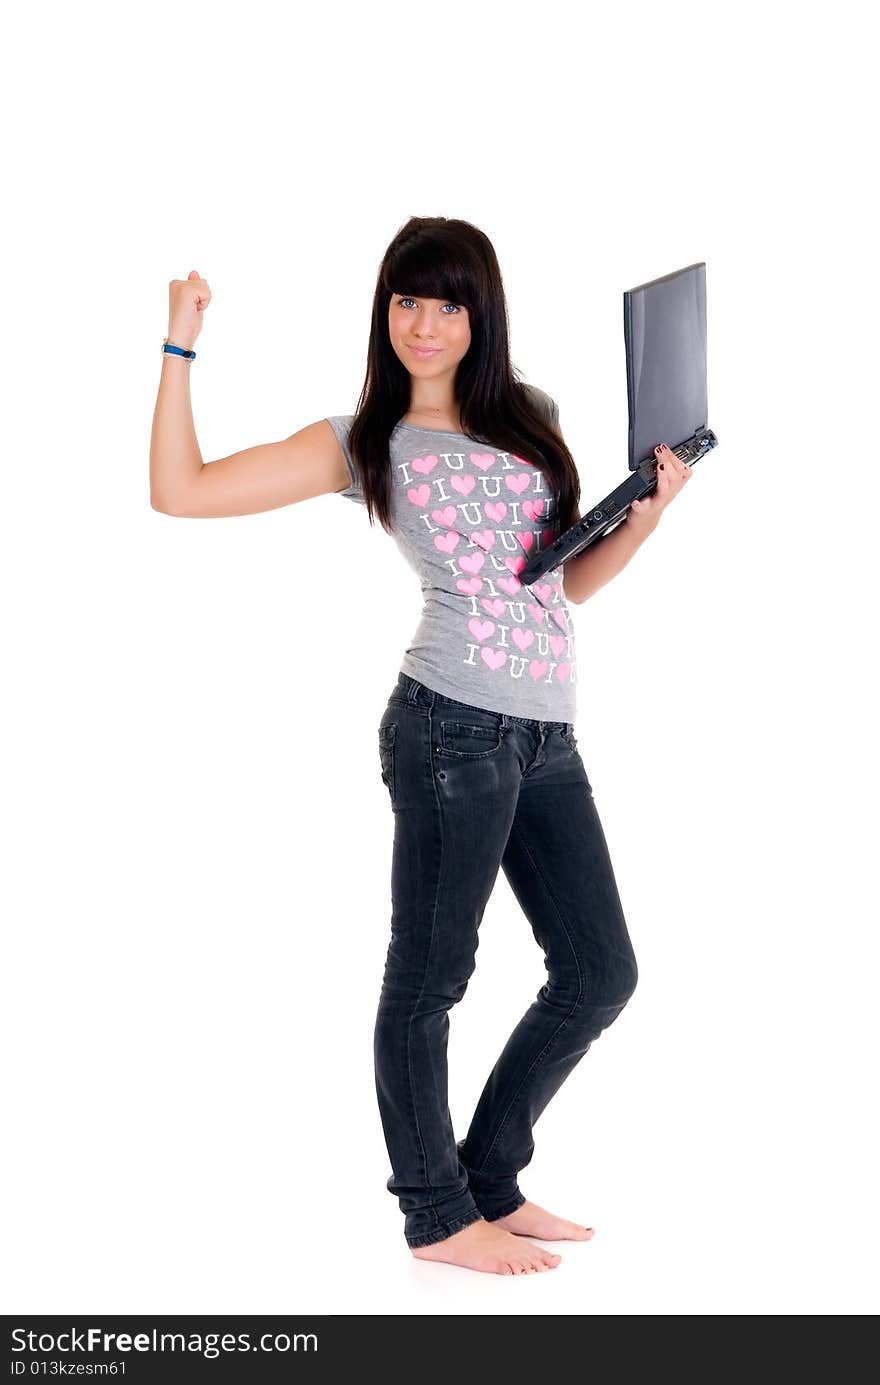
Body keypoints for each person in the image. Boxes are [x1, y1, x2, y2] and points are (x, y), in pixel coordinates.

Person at [150, 216, 693, 1278]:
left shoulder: (528, 421)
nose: (425, 322)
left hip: (544, 731)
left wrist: (649, 515)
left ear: (480, 313)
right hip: (447, 724)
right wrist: (180, 344)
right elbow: (181, 490)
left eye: (448, 302)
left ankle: (489, 1176)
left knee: (598, 971)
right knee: (431, 977)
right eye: (407, 299)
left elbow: (560, 583)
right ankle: (435, 1212)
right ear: (383, 310)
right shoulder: (364, 438)